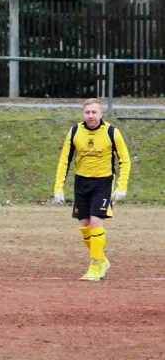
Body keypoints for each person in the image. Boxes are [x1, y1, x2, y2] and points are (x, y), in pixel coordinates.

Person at [54, 98, 131, 281]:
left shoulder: (112, 132)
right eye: (87, 112)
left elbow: (124, 160)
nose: (91, 116)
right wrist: (58, 188)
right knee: (85, 227)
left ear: (101, 114)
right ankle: (103, 260)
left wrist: (122, 186)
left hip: (103, 183)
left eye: (94, 112)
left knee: (96, 222)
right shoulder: (74, 132)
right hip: (81, 183)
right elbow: (64, 161)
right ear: (83, 114)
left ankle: (94, 267)